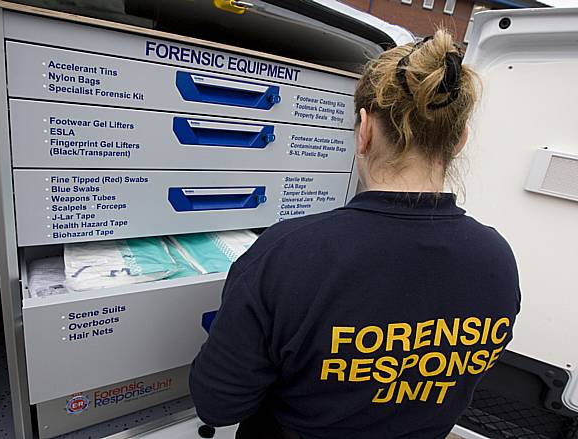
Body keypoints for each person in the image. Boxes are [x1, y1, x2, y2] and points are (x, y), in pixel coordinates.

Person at [189, 29, 521, 439]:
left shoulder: (287, 252)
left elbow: (218, 405)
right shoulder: (497, 259)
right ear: (459, 141)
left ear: (363, 129)